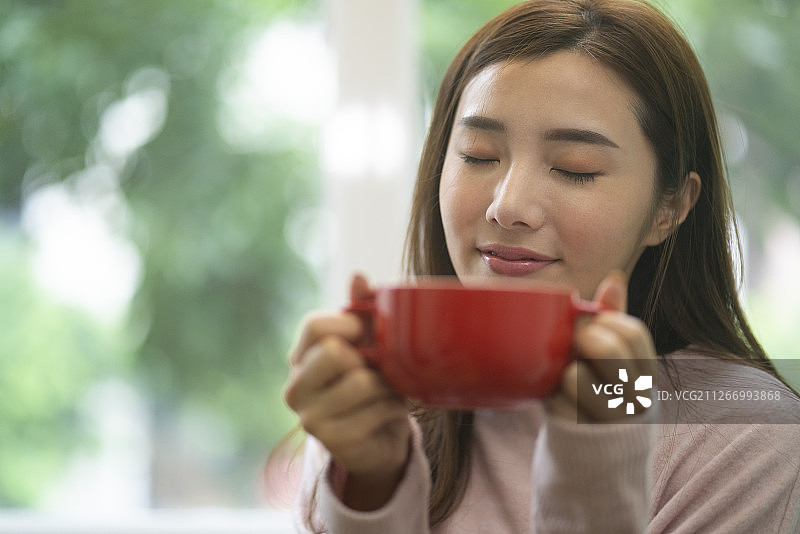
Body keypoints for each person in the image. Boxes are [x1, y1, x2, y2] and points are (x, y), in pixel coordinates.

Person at [282, 0, 800, 532]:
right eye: (479, 155)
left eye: (575, 169)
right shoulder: (374, 408)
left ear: (670, 208)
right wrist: (369, 489)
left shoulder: (744, 431)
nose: (507, 206)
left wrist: (599, 461)